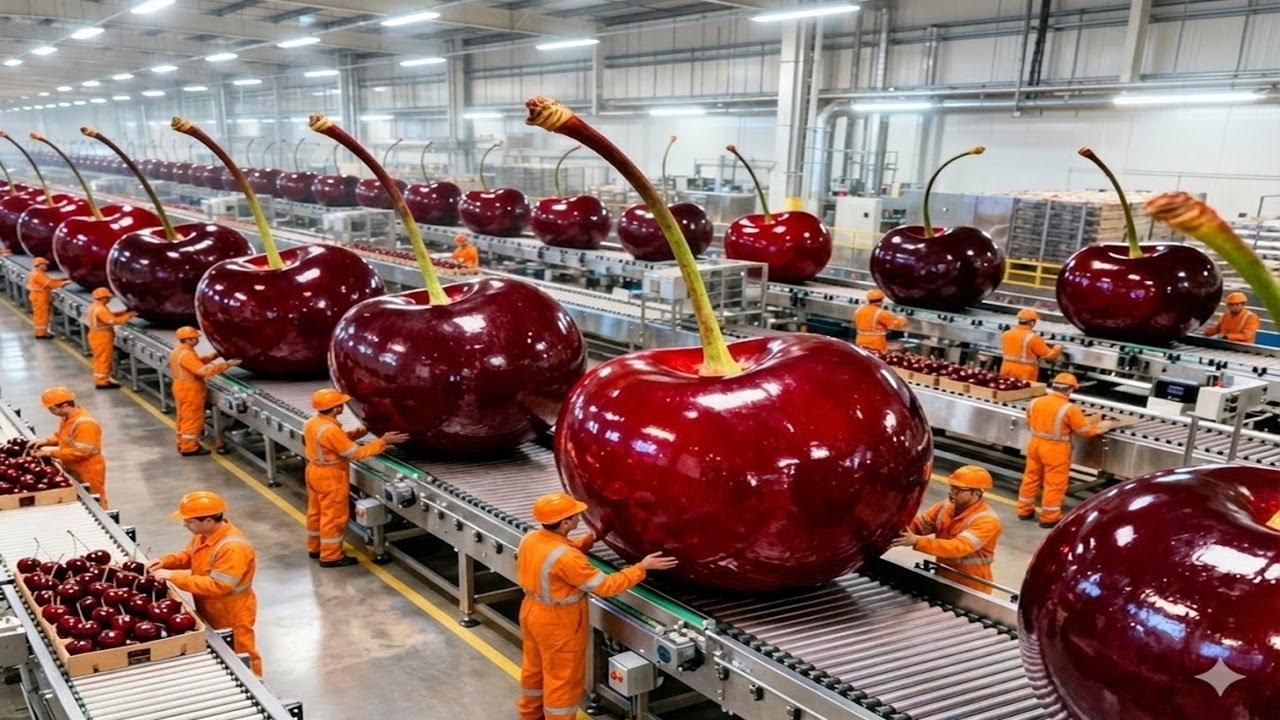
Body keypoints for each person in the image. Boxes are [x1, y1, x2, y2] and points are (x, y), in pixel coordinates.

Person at [517, 492, 677, 720]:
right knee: (563, 680)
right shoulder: (568, 559)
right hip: (559, 623)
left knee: (534, 671)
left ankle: (529, 715)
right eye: (575, 515)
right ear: (565, 522)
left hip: (531, 611)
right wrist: (642, 567)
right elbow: (606, 586)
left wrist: (593, 537)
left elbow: (562, 550)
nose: (579, 517)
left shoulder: (531, 539)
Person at [148, 491, 262, 677]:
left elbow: (219, 585)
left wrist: (173, 576)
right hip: (209, 604)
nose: (185, 525)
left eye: (190, 521)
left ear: (208, 520)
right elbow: (189, 555)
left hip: (231, 610)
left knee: (241, 652)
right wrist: (164, 562)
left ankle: (258, 684)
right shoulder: (204, 535)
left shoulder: (233, 547)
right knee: (220, 648)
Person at [303, 389, 408, 567]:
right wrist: (383, 442)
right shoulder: (330, 430)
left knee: (316, 512)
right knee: (334, 517)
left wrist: (360, 432)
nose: (343, 406)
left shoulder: (314, 422)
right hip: (331, 476)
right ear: (336, 409)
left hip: (314, 471)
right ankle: (331, 556)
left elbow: (334, 442)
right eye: (340, 404)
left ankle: (315, 548)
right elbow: (355, 452)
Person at [1017, 373, 1114, 528]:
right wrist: (1100, 427)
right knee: (1054, 483)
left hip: (1035, 444)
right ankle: (1049, 517)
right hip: (1056, 450)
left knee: (1031, 477)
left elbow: (1029, 421)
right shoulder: (1070, 409)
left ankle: (1024, 510)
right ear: (1070, 390)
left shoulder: (1035, 402)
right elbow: (1084, 432)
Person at [891, 466, 1003, 594]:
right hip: (943, 576)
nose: (951, 493)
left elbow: (958, 547)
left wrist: (917, 542)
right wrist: (894, 526)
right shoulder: (946, 507)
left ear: (976, 493)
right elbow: (920, 525)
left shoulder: (986, 520)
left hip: (970, 586)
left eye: (958, 490)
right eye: (952, 488)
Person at [31, 387, 109, 508]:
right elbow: (63, 436)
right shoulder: (68, 418)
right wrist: (46, 441)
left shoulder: (85, 424)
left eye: (52, 409)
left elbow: (81, 452)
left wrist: (50, 453)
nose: (51, 412)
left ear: (65, 405)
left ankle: (106, 517)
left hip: (88, 469)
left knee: (95, 500)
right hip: (74, 465)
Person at [170, 326, 240, 457]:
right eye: (196, 338)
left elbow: (197, 363)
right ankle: (189, 448)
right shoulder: (187, 355)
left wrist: (214, 356)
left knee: (183, 417)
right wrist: (227, 365)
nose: (198, 340)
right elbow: (204, 372)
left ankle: (182, 443)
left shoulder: (180, 351)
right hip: (190, 390)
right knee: (192, 419)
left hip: (181, 387)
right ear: (189, 340)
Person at [85, 287, 135, 389]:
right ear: (103, 298)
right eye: (108, 297)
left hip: (96, 335)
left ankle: (100, 378)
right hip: (102, 336)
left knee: (99, 358)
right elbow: (113, 321)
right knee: (104, 358)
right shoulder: (101, 309)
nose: (110, 299)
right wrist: (128, 316)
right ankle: (102, 381)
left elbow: (110, 315)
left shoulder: (96, 306)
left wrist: (124, 312)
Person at [999, 308, 1062, 381]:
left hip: (1006, 369)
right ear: (1031, 323)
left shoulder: (1006, 334)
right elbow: (1049, 356)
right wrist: (1057, 348)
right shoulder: (1033, 337)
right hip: (1024, 373)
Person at [853, 289, 908, 353]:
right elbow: (896, 324)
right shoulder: (881, 313)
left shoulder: (859, 310)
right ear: (881, 301)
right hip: (875, 343)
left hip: (860, 340)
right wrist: (903, 318)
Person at [27, 257, 68, 339]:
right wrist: (64, 283)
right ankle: (41, 333)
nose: (46, 266)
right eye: (44, 264)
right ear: (39, 265)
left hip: (38, 296)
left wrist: (61, 279)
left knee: (40, 315)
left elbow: (49, 280)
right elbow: (50, 284)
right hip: (40, 297)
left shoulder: (36, 272)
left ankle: (41, 332)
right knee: (42, 315)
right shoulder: (38, 274)